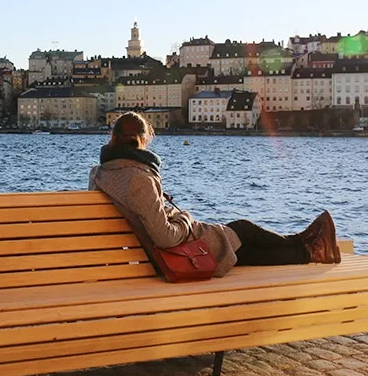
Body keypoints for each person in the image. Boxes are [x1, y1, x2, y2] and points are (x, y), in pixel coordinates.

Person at [88, 112, 340, 278]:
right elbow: (165, 237)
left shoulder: (99, 173)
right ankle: (307, 248)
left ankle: (307, 246)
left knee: (245, 248)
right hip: (171, 256)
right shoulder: (139, 178)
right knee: (244, 233)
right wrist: (184, 218)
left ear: (112, 138)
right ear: (144, 141)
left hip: (140, 256)